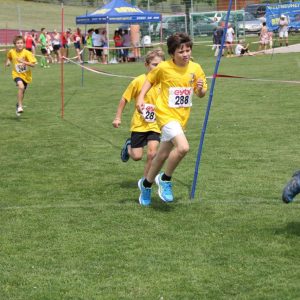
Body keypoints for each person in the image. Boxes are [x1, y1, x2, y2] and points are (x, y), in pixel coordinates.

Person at [136, 33, 207, 206]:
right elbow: (150, 80)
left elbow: (201, 94)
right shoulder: (164, 67)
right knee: (183, 148)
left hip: (181, 118)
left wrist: (200, 89)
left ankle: (146, 184)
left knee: (161, 156)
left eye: (188, 50)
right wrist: (140, 98)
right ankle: (165, 179)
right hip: (165, 115)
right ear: (172, 53)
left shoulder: (196, 68)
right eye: (181, 51)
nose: (185, 54)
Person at [112, 48, 165, 179]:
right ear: (146, 65)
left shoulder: (164, 82)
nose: (157, 68)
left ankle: (146, 183)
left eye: (161, 65)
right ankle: (129, 145)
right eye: (154, 64)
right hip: (140, 124)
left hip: (155, 124)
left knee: (152, 154)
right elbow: (124, 99)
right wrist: (118, 117)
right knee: (137, 156)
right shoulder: (139, 81)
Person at [6, 35, 37, 116]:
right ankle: (20, 106)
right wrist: (8, 61)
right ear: (15, 44)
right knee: (21, 87)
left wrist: (24, 62)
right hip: (16, 74)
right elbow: (9, 57)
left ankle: (18, 105)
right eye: (18, 43)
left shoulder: (27, 53)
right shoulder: (11, 51)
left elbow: (33, 65)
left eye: (21, 43)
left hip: (26, 76)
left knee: (22, 91)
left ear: (24, 44)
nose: (20, 44)